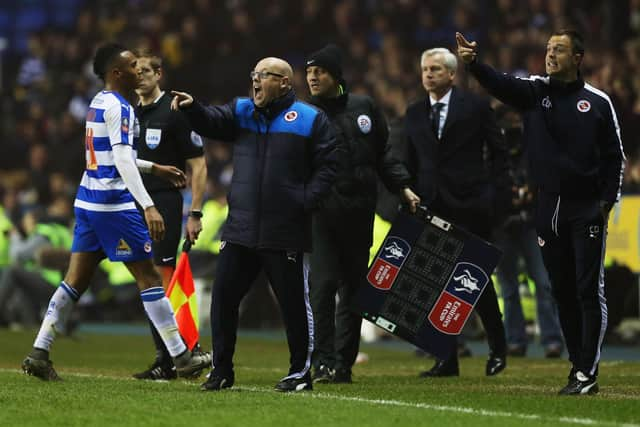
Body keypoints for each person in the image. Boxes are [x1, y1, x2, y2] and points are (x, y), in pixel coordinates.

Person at [21, 43, 210, 381]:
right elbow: (121, 160)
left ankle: (39, 350)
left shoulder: (98, 102)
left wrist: (156, 168)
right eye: (132, 65)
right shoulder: (121, 108)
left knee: (75, 280)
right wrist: (149, 205)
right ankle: (182, 358)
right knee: (149, 277)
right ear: (117, 73)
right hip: (112, 205)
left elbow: (112, 155)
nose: (139, 69)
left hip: (87, 201)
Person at [456, 29, 625, 395]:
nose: (550, 55)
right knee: (559, 290)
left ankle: (586, 371)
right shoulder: (535, 91)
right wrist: (474, 65)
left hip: (585, 208)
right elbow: (500, 85)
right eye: (549, 49)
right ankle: (577, 364)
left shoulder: (597, 102)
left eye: (559, 50)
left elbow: (616, 157)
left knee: (587, 289)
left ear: (577, 57)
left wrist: (605, 202)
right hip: (547, 207)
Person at [171, 56, 338, 392]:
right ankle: (221, 371)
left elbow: (330, 165)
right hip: (241, 228)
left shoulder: (310, 119)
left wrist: (304, 201)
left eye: (264, 76)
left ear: (285, 83)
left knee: (293, 304)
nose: (256, 81)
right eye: (254, 75)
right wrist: (193, 108)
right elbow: (212, 121)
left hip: (285, 228)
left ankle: (299, 373)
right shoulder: (242, 110)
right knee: (223, 298)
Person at [303, 44, 420, 384]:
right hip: (322, 213)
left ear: (336, 75)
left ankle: (343, 364)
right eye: (309, 72)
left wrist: (402, 186)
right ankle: (322, 361)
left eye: (319, 71)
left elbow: (382, 153)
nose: (312, 77)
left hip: (359, 211)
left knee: (353, 292)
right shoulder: (303, 114)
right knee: (322, 288)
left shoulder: (363, 107)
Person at [404, 47, 509, 378]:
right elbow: (409, 159)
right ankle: (446, 359)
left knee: (475, 281)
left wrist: (495, 198)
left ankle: (498, 346)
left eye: (436, 68)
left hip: (470, 205)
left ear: (452, 74)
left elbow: (499, 153)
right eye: (425, 69)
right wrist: (407, 194)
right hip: (430, 206)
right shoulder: (414, 112)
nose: (429, 74)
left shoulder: (476, 107)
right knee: (435, 282)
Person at [132, 50, 211, 381]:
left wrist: (194, 211)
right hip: (135, 202)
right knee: (146, 280)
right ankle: (171, 357)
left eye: (146, 71)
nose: (140, 76)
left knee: (161, 279)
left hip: (163, 203)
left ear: (159, 74)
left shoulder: (175, 112)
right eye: (135, 72)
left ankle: (177, 355)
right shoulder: (129, 113)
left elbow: (198, 164)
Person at [494, 107, 564, 358]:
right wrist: (505, 196)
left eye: (516, 118)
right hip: (502, 224)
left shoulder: (535, 147)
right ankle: (515, 340)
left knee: (543, 282)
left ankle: (551, 340)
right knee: (509, 286)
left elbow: (548, 176)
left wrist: (532, 192)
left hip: (531, 222)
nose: (513, 124)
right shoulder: (490, 149)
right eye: (508, 119)